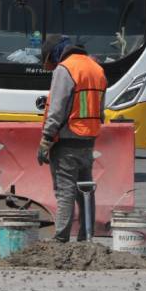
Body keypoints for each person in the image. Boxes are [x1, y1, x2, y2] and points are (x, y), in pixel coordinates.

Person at [36, 35, 106, 242]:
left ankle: (60, 238)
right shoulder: (96, 68)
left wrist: (46, 139)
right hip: (89, 138)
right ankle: (86, 236)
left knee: (65, 190)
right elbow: (100, 108)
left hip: (66, 139)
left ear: (54, 54)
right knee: (85, 191)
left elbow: (57, 108)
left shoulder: (65, 69)